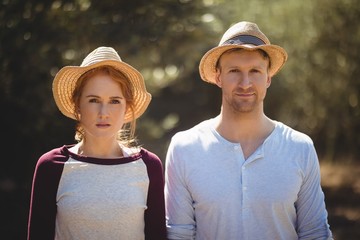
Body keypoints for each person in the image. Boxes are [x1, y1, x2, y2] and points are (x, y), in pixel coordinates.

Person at [164, 21, 333, 239]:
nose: (245, 83)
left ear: (268, 78)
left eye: (255, 71)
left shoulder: (300, 148)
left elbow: (315, 233)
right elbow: (178, 234)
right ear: (218, 77)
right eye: (234, 71)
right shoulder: (184, 148)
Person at [28, 46, 167, 240]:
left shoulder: (149, 166)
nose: (104, 112)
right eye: (93, 100)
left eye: (114, 101)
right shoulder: (51, 166)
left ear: (127, 106)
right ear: (78, 105)